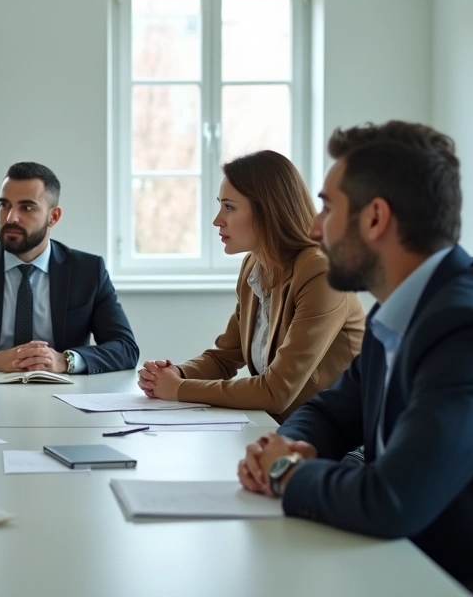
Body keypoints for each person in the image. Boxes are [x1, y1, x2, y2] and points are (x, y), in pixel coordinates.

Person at [238, 121, 473, 585]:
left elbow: (392, 499)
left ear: (375, 218)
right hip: (423, 560)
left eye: (327, 207)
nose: (313, 227)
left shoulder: (472, 330)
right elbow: (330, 412)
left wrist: (286, 473)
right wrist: (286, 445)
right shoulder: (400, 312)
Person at [136, 151, 364, 423]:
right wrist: (173, 375)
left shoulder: (321, 271)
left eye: (229, 207)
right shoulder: (253, 267)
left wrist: (179, 389)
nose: (217, 220)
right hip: (286, 428)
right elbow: (225, 357)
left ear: (268, 211)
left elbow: (276, 391)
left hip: (343, 438)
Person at [0, 161, 139, 374]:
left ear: (53, 217)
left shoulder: (88, 271)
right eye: (4, 205)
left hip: (65, 395)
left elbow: (125, 348)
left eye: (27, 207)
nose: (11, 217)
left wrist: (64, 361)